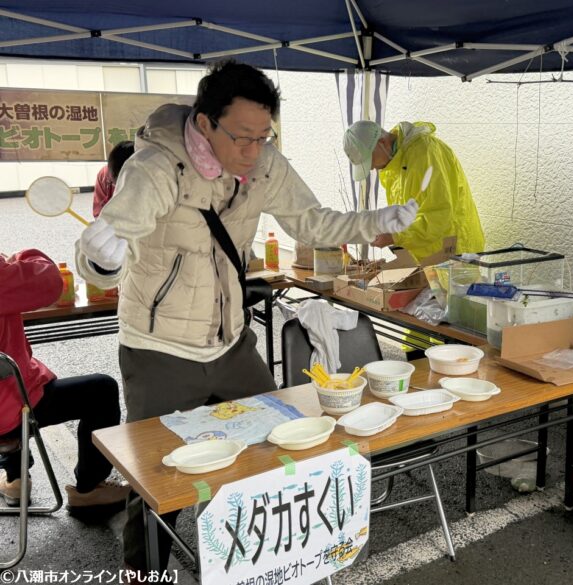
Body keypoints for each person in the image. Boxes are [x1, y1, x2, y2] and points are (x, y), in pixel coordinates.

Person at [73, 59, 418, 571]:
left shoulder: (265, 164)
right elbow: (110, 243)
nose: (254, 151)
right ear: (205, 122)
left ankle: (261, 564)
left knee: (277, 443)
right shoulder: (156, 167)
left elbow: (311, 221)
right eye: (242, 137)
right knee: (158, 476)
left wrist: (372, 222)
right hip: (159, 349)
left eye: (264, 136)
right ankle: (143, 573)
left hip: (231, 341)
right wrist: (100, 261)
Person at [0, 248, 130, 511]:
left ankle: (15, 478)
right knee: (101, 390)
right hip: (9, 412)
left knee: (16, 385)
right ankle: (89, 489)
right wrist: (22, 257)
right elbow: (51, 282)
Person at [343, 120, 485, 262]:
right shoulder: (393, 164)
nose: (372, 168)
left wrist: (394, 235)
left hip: (455, 253)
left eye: (370, 160)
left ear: (383, 142)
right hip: (428, 254)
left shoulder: (426, 153)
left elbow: (438, 217)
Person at [92, 140, 134, 217]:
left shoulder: (150, 179)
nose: (118, 187)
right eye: (114, 183)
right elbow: (99, 211)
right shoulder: (104, 176)